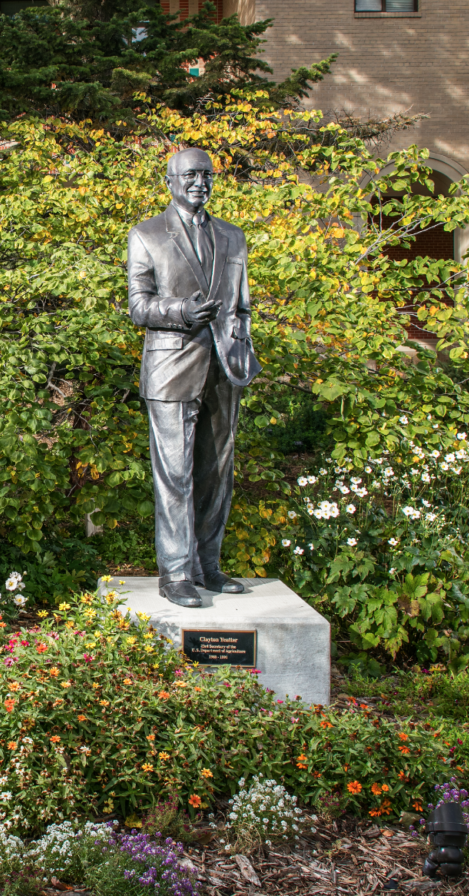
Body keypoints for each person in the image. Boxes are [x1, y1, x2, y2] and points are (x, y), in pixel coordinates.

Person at [126, 147, 262, 607]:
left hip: (224, 369)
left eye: (205, 174)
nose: (199, 182)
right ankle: (176, 573)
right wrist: (182, 311)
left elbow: (241, 307)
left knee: (215, 472)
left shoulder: (233, 236)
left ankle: (208, 567)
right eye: (189, 175)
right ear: (170, 181)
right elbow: (138, 307)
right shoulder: (147, 235)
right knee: (176, 474)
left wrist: (241, 344)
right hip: (171, 367)